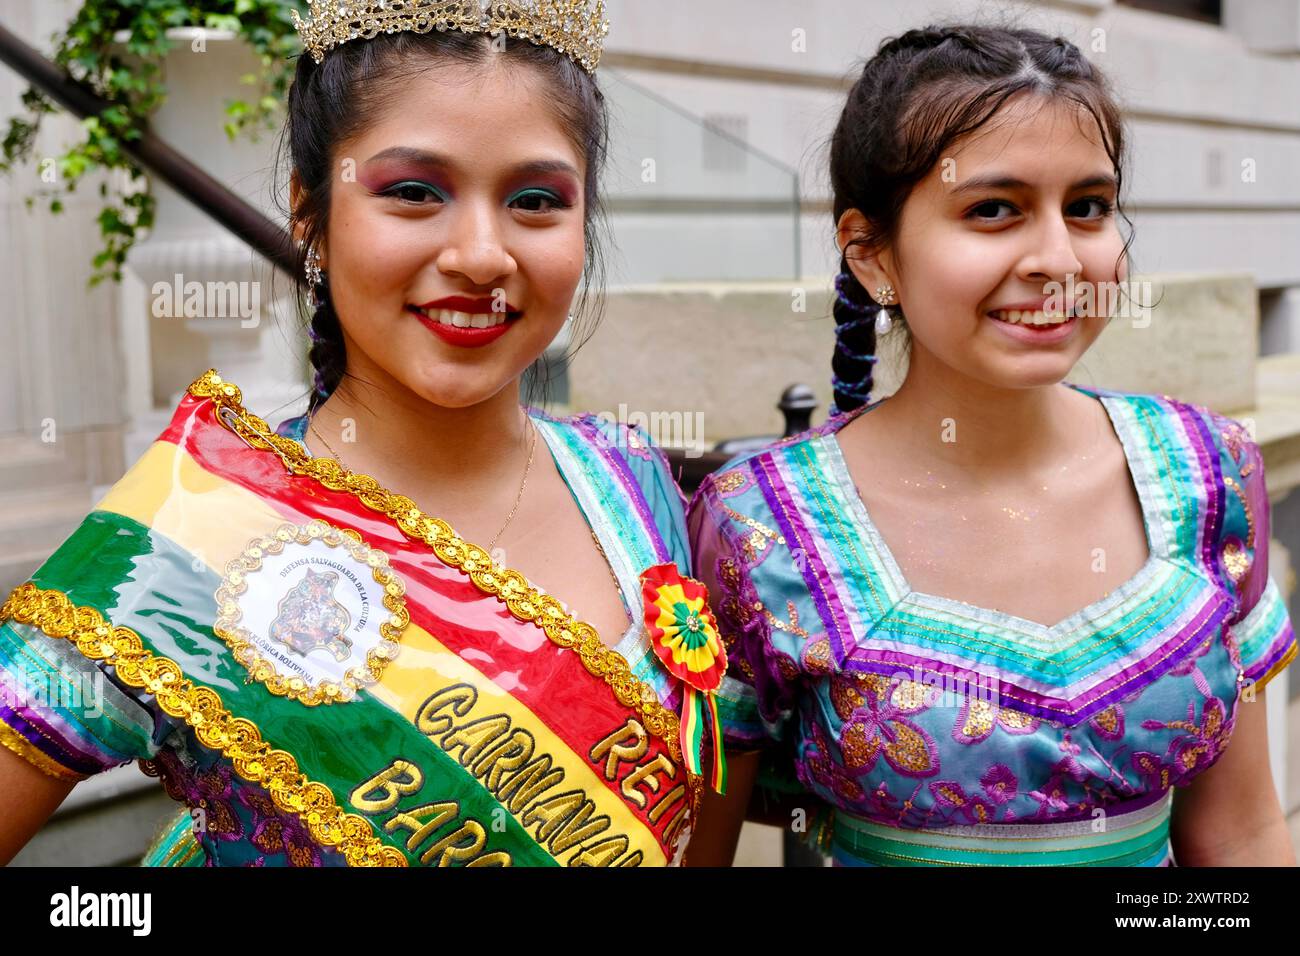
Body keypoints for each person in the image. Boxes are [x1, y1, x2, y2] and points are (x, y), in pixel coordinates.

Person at [0, 0, 719, 867]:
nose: (483, 255)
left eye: (536, 200)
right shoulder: (190, 530)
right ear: (311, 212)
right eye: (413, 192)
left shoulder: (631, 483)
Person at [685, 24, 1297, 867]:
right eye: (993, 210)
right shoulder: (760, 529)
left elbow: (1239, 834)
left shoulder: (1210, 476)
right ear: (870, 255)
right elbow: (697, 851)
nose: (1057, 259)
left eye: (1087, 207)